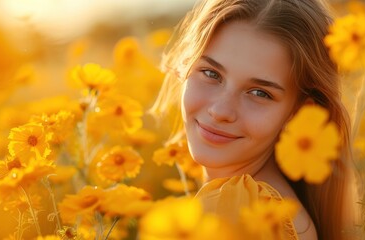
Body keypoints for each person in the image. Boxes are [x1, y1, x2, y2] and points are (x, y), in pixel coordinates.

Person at [151, 0, 353, 239]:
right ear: (186, 65)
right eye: (211, 73)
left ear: (300, 114)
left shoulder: (236, 210)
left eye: (260, 93)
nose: (220, 110)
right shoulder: (275, 205)